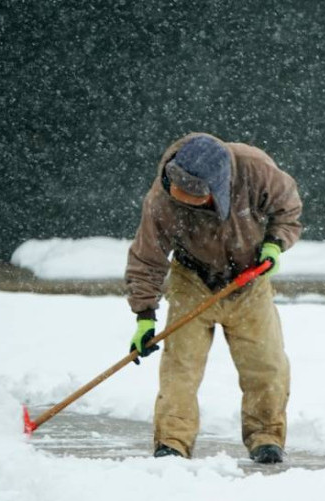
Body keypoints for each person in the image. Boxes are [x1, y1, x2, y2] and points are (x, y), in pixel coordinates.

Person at [125, 132, 302, 464]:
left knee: (267, 365)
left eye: (198, 198)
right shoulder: (161, 200)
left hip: (250, 280)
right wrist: (144, 316)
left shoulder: (257, 171)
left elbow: (288, 211)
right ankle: (172, 442)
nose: (183, 202)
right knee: (181, 368)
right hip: (192, 279)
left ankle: (266, 437)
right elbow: (147, 258)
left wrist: (275, 244)